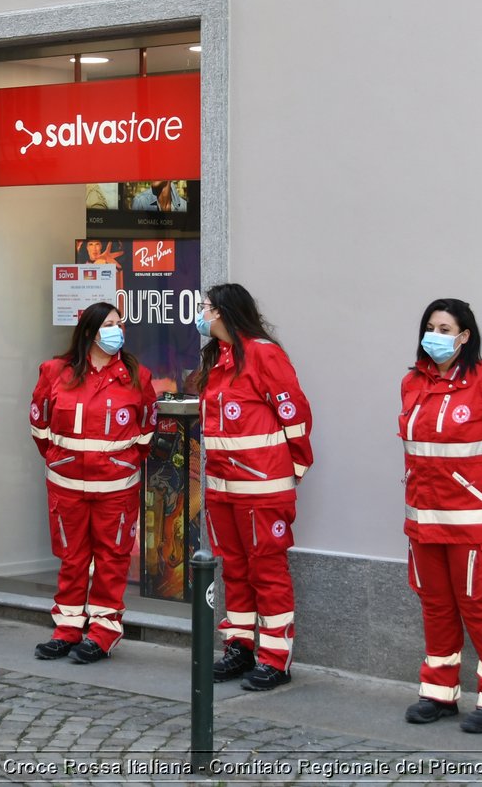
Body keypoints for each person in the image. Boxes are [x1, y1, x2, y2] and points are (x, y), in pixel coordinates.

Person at [399, 298, 482, 734]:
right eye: (430, 327)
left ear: (464, 336)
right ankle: (439, 693)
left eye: (444, 328)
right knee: (436, 607)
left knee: (481, 608)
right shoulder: (412, 384)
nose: (435, 335)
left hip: (475, 522)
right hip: (424, 519)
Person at [189, 282, 312, 692]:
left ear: (223, 311)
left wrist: (294, 466)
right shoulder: (218, 358)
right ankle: (239, 646)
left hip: (262, 487)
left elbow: (294, 413)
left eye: (205, 307)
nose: (201, 314)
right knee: (236, 571)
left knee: (267, 571)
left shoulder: (263, 354)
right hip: (223, 488)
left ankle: (276, 659)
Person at [28, 301, 156, 663]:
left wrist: (121, 462)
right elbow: (40, 426)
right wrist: (61, 459)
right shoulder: (55, 371)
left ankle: (103, 631)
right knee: (72, 557)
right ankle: (66, 629)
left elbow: (146, 430)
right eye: (109, 325)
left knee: (112, 559)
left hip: (116, 488)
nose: (118, 331)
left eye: (120, 324)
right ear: (89, 332)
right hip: (67, 484)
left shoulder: (137, 376)